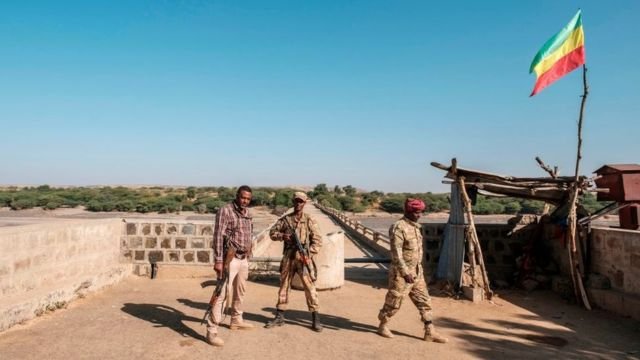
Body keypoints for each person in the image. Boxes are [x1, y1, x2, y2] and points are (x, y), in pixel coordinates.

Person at [377, 198, 448, 343]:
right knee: (394, 301)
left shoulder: (416, 227)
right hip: (402, 275)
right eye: (416, 212)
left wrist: (417, 271)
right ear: (408, 212)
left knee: (425, 301)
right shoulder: (399, 227)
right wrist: (405, 273)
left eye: (421, 212)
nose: (419, 215)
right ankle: (383, 325)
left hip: (417, 272)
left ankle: (430, 331)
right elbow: (396, 253)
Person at [265, 191, 323, 332]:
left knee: (310, 288)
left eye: (301, 201)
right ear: (293, 202)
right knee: (284, 286)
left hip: (303, 257)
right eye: (296, 201)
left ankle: (315, 318)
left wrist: (309, 254)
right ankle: (279, 316)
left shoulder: (309, 219)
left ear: (305, 203)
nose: (298, 204)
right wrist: (282, 236)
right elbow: (272, 233)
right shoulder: (286, 220)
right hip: (289, 256)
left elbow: (318, 241)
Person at [206, 185, 255, 347]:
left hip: (243, 258)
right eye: (243, 197)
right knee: (222, 293)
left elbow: (249, 233)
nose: (245, 201)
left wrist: (249, 252)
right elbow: (218, 236)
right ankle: (212, 331)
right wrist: (219, 260)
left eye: (248, 199)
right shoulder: (225, 211)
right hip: (230, 258)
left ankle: (236, 320)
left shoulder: (248, 213)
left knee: (240, 290)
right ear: (237, 196)